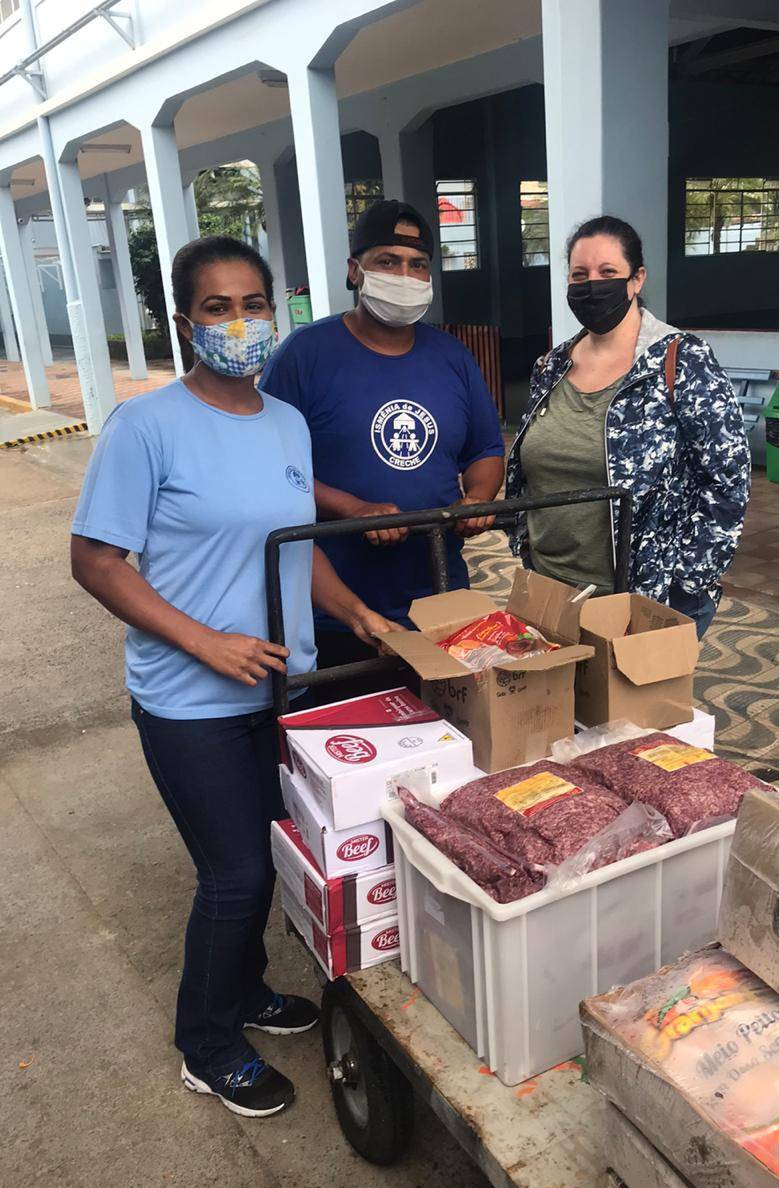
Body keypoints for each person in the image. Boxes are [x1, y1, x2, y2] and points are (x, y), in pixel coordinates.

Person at [70, 237, 397, 1119]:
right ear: (186, 323)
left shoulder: (285, 422)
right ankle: (207, 1043)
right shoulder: (145, 426)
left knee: (271, 852)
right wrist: (205, 641)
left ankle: (246, 990)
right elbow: (96, 561)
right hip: (190, 702)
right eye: (218, 307)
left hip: (281, 691)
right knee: (235, 876)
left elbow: (291, 546)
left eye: (254, 303)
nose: (240, 322)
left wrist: (358, 612)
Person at [260, 199, 505, 686]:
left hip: (442, 596)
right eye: (387, 262)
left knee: (446, 722)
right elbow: (270, 467)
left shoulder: (452, 356)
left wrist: (477, 498)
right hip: (337, 609)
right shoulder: (305, 355)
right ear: (355, 271)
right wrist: (353, 510)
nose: (404, 276)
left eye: (418, 264)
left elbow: (485, 449)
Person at [506, 215, 750, 638]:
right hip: (550, 590)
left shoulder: (682, 361)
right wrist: (523, 541)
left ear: (637, 279)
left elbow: (728, 481)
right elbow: (528, 470)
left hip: (644, 598)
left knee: (633, 688)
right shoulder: (551, 366)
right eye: (579, 275)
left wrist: (686, 583)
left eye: (607, 273)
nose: (591, 286)